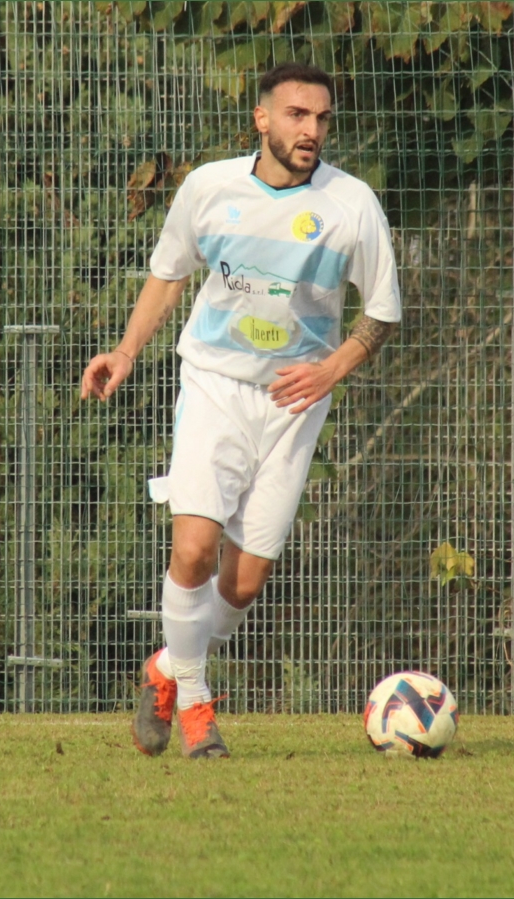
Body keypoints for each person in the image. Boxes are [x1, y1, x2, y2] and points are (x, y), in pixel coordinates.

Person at [80, 62, 401, 759]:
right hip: (214, 386)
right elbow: (169, 276)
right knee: (193, 549)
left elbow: (380, 314)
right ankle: (196, 707)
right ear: (262, 119)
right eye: (296, 115)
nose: (311, 130)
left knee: (244, 581)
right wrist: (127, 351)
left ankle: (167, 667)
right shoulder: (209, 187)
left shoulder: (352, 204)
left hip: (293, 407)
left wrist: (331, 369)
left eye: (321, 118)